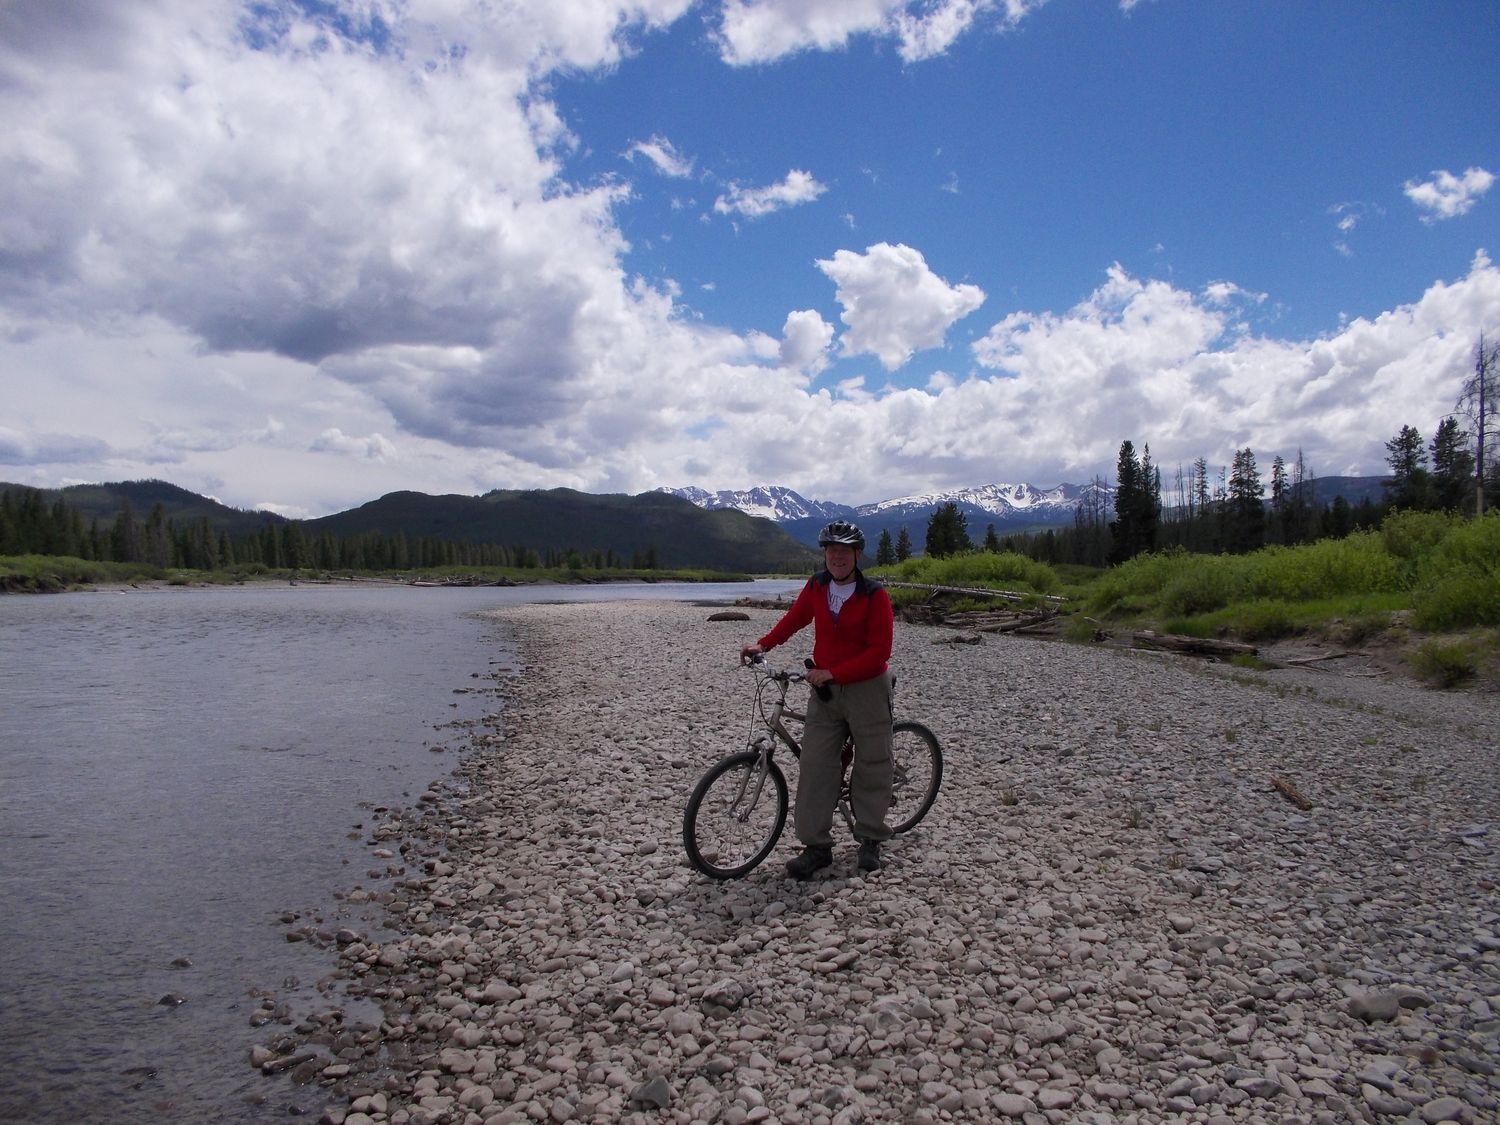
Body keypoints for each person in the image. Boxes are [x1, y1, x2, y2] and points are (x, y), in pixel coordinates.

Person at [740, 519, 895, 878]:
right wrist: (763, 643)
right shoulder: (817, 585)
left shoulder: (874, 595)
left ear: (857, 555)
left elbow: (879, 651)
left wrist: (835, 672)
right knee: (815, 766)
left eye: (845, 551)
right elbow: (794, 619)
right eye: (831, 551)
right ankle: (816, 847)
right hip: (825, 691)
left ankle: (870, 838)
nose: (837, 557)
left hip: (867, 687)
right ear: (825, 554)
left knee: (873, 761)